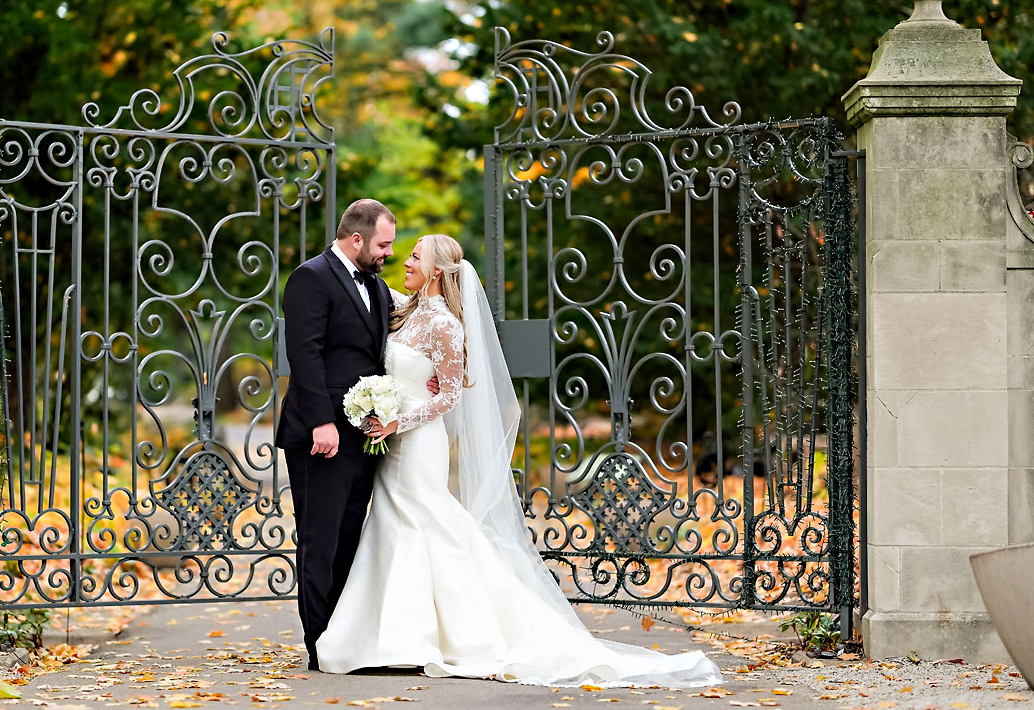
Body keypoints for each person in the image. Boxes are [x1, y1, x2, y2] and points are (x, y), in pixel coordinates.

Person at [314, 234, 723, 687]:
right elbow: (359, 294)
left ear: (435, 270)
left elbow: (449, 395)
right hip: (393, 445)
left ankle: (443, 636)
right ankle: (392, 636)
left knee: (423, 524)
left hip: (417, 442)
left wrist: (397, 421)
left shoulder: (447, 325)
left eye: (414, 256)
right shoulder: (404, 311)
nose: (404, 261)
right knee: (396, 526)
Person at [275, 199, 438, 671]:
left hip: (367, 433)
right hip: (321, 434)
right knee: (320, 540)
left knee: (350, 537)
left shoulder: (379, 287)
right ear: (357, 239)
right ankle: (319, 646)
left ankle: (345, 643)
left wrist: (425, 374)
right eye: (384, 244)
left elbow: (405, 336)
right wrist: (321, 421)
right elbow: (304, 355)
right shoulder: (311, 277)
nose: (390, 252)